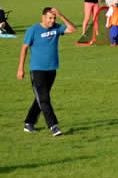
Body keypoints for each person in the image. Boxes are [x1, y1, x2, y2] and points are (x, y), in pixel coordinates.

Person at [17, 7, 77, 136]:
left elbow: (73, 29)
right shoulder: (32, 30)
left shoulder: (56, 27)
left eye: (54, 18)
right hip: (37, 70)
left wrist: (61, 16)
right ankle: (53, 126)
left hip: (52, 69)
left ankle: (29, 123)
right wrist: (20, 68)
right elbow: (24, 49)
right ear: (43, 17)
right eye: (50, 18)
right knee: (44, 98)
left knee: (40, 98)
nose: (52, 20)